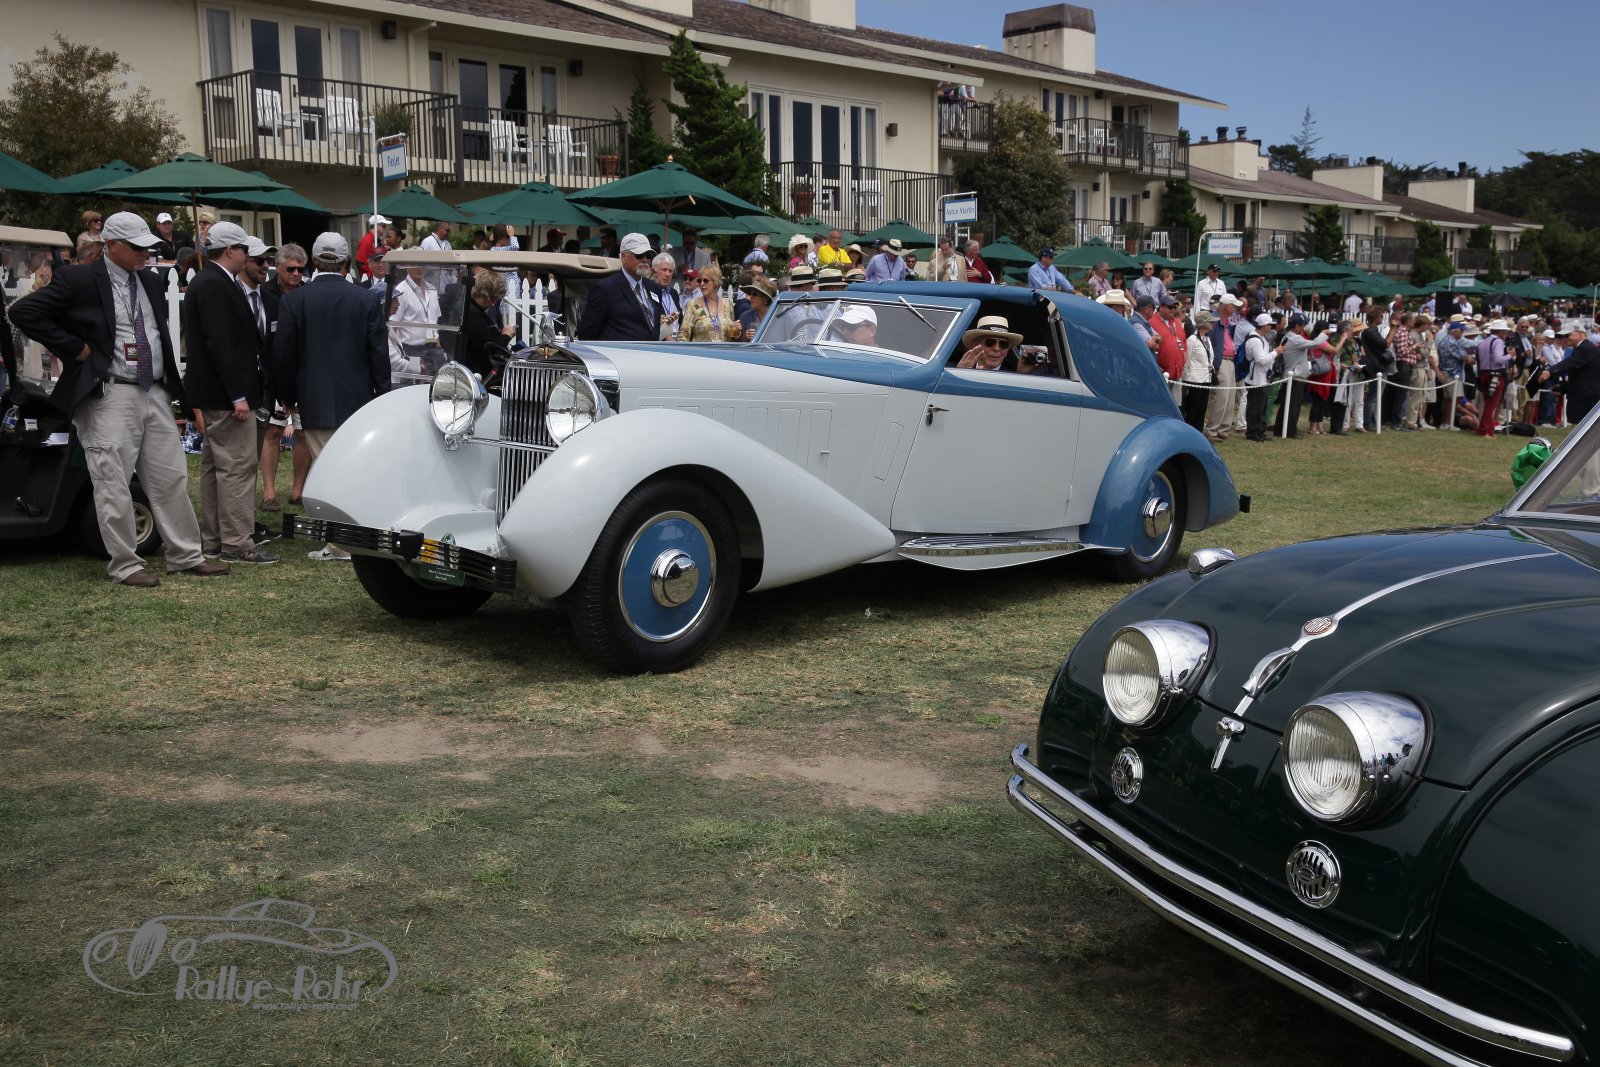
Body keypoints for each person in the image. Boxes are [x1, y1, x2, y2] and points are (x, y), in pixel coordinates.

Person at [8, 211, 230, 586]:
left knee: (171, 476)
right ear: (110, 245)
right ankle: (126, 564)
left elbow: (158, 334)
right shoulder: (79, 278)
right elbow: (24, 311)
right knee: (112, 480)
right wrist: (74, 347)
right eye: (137, 246)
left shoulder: (149, 279)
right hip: (109, 392)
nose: (145, 253)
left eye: (147, 246)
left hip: (153, 389)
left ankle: (185, 555)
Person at [272, 232, 388, 561]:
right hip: (359, 398)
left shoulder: (295, 300)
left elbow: (284, 355)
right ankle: (355, 537)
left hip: (315, 397)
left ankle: (341, 543)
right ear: (346, 262)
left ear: (313, 261)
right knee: (355, 469)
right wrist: (383, 397)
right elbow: (379, 355)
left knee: (328, 470)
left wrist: (287, 396)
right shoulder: (365, 299)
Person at [183, 221, 278, 564]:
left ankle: (214, 539)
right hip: (226, 394)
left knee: (216, 467)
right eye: (244, 250)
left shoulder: (211, 281)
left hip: (216, 392)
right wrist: (238, 394)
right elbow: (221, 343)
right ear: (230, 250)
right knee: (237, 467)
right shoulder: (215, 284)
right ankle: (237, 543)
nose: (248, 256)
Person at [578, 233, 661, 342]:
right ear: (623, 257)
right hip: (618, 352)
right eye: (639, 255)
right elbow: (586, 333)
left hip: (651, 351)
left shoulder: (654, 288)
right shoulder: (605, 288)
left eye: (648, 255)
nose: (645, 259)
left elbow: (652, 328)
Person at [456, 270, 516, 381]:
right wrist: (506, 336)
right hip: (479, 377)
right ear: (488, 295)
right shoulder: (473, 314)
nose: (494, 302)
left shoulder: (474, 310)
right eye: (495, 298)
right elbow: (488, 348)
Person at [1538, 322, 1600, 424]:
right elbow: (1579, 375)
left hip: (1586, 399)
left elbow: (1569, 363)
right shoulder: (1582, 348)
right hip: (1585, 397)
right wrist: (1563, 388)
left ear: (1580, 333)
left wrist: (1550, 371)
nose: (1565, 339)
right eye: (1564, 336)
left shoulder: (1585, 348)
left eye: (1568, 335)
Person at [1204, 295, 1242, 440]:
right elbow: (1209, 342)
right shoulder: (1215, 321)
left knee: (1230, 396)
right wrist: (1214, 363)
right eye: (1233, 306)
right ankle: (1213, 429)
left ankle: (1223, 429)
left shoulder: (1225, 322)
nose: (1235, 309)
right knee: (1221, 396)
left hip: (1229, 361)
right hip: (1221, 361)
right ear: (1226, 306)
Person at [1238, 313, 1276, 443]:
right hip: (1255, 379)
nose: (1271, 327)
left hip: (1262, 377)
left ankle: (1260, 430)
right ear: (1264, 325)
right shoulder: (1255, 340)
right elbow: (1261, 360)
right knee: (1255, 406)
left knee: (1261, 406)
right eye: (1269, 325)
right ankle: (1253, 432)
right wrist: (1276, 353)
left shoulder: (1261, 338)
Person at [678, 263, 737, 342]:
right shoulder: (693, 305)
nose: (702, 284)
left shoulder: (727, 304)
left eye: (705, 280)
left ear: (715, 282)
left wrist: (737, 331)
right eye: (699, 280)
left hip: (724, 349)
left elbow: (733, 337)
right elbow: (683, 336)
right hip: (701, 350)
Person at [1474, 319, 1513, 437]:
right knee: (1492, 404)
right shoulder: (1498, 342)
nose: (1505, 334)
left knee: (1488, 403)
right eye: (1504, 332)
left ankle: (1485, 428)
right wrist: (1509, 356)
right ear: (1500, 331)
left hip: (1483, 373)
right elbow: (1498, 359)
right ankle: (1486, 430)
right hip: (1495, 374)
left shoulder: (1483, 343)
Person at [1181, 309, 1214, 431]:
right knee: (1192, 410)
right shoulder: (1192, 340)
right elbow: (1187, 360)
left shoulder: (1207, 339)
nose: (1213, 324)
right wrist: (1184, 379)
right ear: (1204, 323)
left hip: (1206, 378)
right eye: (1210, 322)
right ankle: (1190, 433)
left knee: (1202, 409)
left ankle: (1199, 432)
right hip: (1194, 379)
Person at [955, 315, 1023, 371]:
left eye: (1003, 344)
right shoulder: (956, 371)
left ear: (1007, 351)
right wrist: (959, 375)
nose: (996, 349)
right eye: (990, 342)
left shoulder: (1012, 379)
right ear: (976, 345)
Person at [652, 252, 684, 339]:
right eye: (664, 270)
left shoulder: (673, 293)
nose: (667, 274)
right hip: (661, 341)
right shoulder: (649, 293)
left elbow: (680, 321)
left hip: (678, 340)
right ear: (655, 271)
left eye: (670, 271)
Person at [739, 274, 776, 338]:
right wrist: (745, 337)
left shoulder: (777, 316)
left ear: (766, 298)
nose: (751, 297)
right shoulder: (745, 317)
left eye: (754, 294)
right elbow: (738, 342)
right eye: (750, 293)